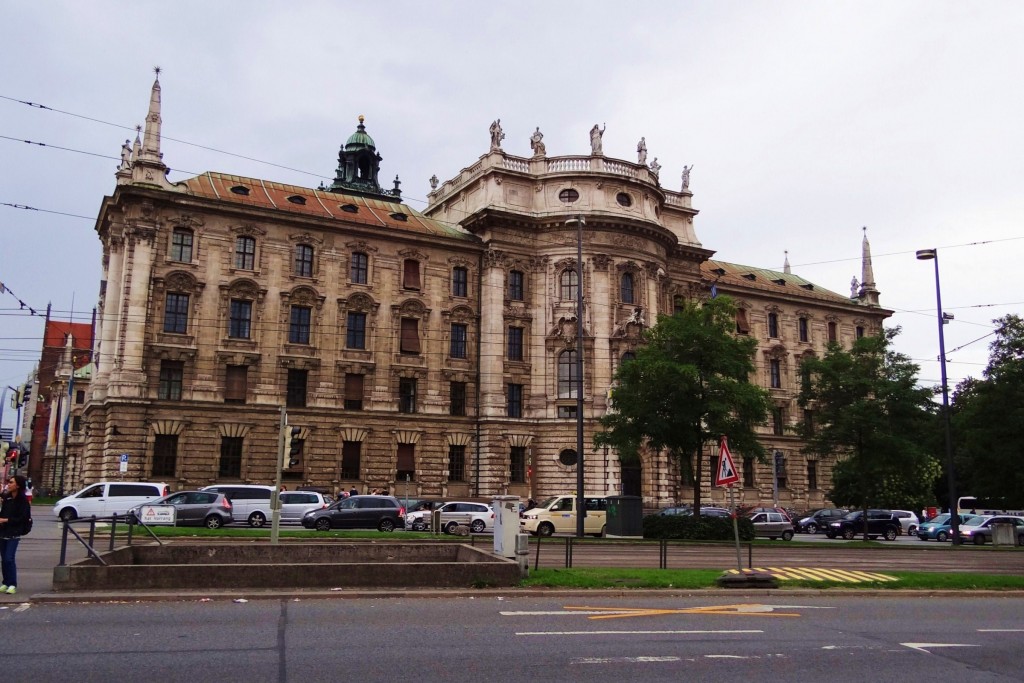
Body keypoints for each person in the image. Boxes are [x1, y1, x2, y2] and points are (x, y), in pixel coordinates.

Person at [0, 475, 30, 595]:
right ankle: (6, 582)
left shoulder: (22, 501)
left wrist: (6, 520)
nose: (9, 484)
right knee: (4, 560)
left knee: (9, 558)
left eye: (11, 482)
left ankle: (12, 584)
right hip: (3, 532)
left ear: (18, 485)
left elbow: (23, 518)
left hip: (14, 533)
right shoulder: (7, 498)